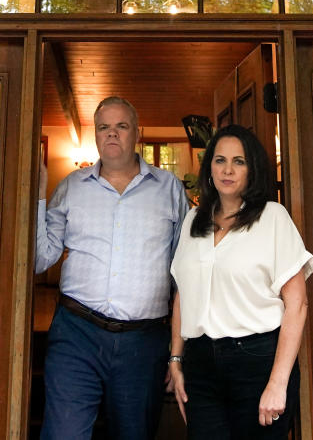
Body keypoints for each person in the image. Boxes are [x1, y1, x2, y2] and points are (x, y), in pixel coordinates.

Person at [36, 95, 190, 439]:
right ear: (95, 136)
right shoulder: (72, 187)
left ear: (137, 132)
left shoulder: (169, 190)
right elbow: (39, 258)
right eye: (104, 127)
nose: (112, 134)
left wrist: (178, 354)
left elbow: (186, 275)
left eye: (121, 126)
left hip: (143, 342)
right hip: (77, 333)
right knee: (64, 434)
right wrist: (36, 192)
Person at [167, 124, 312, 438]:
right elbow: (183, 295)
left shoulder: (272, 217)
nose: (228, 169)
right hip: (201, 364)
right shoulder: (194, 220)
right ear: (209, 169)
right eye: (220, 160)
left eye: (239, 161)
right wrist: (176, 359)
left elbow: (297, 305)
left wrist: (277, 383)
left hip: (257, 362)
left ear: (252, 169)